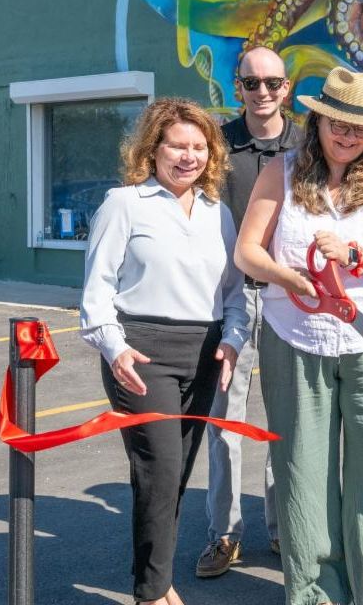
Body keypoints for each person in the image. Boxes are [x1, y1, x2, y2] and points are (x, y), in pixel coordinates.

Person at [234, 66, 363, 605]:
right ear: (319, 121)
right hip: (294, 337)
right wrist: (285, 276)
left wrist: (353, 254)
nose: (348, 135)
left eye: (360, 127)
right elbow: (249, 249)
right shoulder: (282, 170)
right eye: (338, 122)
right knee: (303, 477)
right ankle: (317, 596)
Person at [80, 98, 248, 605]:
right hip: (141, 353)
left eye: (199, 147)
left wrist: (234, 340)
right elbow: (96, 291)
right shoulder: (123, 204)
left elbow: (236, 292)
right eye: (177, 145)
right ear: (153, 149)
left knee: (170, 478)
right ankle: (151, 594)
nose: (188, 156)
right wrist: (115, 348)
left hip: (203, 355)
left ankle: (154, 577)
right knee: (160, 471)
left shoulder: (218, 214)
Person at [197, 46, 300, 577]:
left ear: (287, 87)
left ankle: (285, 529)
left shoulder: (307, 144)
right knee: (225, 423)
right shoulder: (214, 145)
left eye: (272, 83)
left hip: (289, 297)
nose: (263, 92)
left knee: (286, 420)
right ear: (238, 87)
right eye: (252, 83)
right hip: (230, 298)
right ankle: (224, 533)